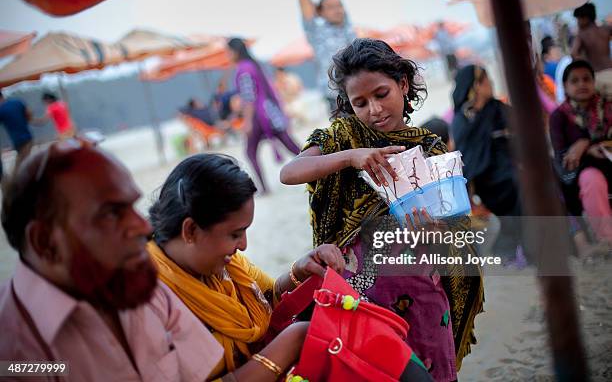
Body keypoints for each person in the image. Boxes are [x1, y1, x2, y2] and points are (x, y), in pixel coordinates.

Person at [280, 39, 484, 381]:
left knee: (429, 369)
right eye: (360, 103)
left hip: (421, 287)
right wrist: (350, 157)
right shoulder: (344, 137)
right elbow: (289, 172)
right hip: (357, 292)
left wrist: (435, 233)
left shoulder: (429, 147)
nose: (374, 110)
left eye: (381, 94)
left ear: (403, 84)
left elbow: (456, 227)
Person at [0, 140, 224, 381]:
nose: (144, 226)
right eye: (111, 214)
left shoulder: (144, 290)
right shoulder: (14, 358)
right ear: (45, 242)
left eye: (131, 206)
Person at [147, 153, 347, 381]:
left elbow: (264, 299)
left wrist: (300, 270)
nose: (243, 245)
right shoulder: (150, 301)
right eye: (235, 234)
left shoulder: (225, 265)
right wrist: (290, 344)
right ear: (190, 230)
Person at [451, 64, 525, 262]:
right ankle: (516, 246)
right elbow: (466, 160)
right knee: (517, 185)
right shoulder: (462, 120)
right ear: (474, 86)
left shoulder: (498, 109)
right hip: (486, 182)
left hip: (510, 172)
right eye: (485, 80)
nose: (490, 83)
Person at [549, 60, 612, 244]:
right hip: (581, 173)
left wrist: (586, 144)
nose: (582, 84)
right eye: (574, 81)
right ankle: (608, 239)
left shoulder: (608, 108)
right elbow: (562, 155)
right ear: (565, 87)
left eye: (586, 79)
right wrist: (588, 150)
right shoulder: (559, 117)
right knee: (591, 179)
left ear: (593, 82)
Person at [227, 38, 300, 194]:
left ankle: (264, 188)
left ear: (234, 51)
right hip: (270, 112)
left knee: (251, 152)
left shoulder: (244, 68)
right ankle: (320, 167)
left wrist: (247, 121)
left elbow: (249, 96)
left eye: (228, 52)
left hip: (259, 117)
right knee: (291, 146)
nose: (228, 55)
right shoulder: (253, 65)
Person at [299, 0, 357, 114]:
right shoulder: (316, 31)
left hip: (358, 88)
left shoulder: (348, 28)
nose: (337, 10)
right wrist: (317, 9)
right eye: (331, 7)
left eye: (339, 5)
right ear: (320, 12)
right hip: (336, 95)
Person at [572, 3, 612, 99]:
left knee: (601, 110)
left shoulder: (582, 34)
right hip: (611, 72)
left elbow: (574, 54)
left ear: (585, 18)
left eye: (578, 19)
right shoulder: (606, 29)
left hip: (596, 75)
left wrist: (585, 62)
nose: (577, 23)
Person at [0, 91, 33, 187]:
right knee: (22, 165)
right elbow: (29, 113)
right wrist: (25, 120)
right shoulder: (17, 102)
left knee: (18, 171)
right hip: (28, 138)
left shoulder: (1, 110)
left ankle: (18, 189)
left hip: (20, 142)